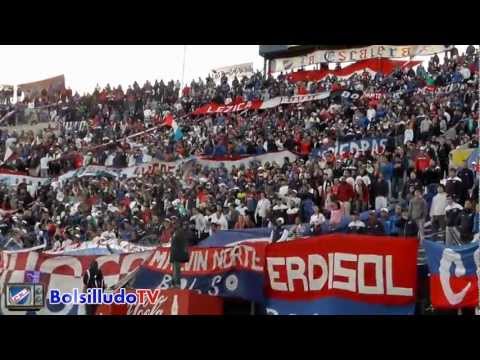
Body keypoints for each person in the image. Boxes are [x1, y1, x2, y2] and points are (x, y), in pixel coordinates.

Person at [170, 220, 193, 288]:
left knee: (176, 269)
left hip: (177, 254)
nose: (174, 225)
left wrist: (183, 252)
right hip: (174, 254)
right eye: (173, 224)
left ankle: (177, 284)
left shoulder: (180, 232)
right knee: (174, 269)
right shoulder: (175, 232)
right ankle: (174, 283)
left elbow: (184, 243)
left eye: (175, 224)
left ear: (178, 224)